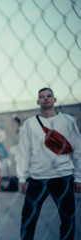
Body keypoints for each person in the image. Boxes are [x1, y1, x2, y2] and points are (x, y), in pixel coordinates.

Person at [16, 87, 81, 240]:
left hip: (63, 176)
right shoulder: (30, 124)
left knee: (68, 219)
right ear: (38, 101)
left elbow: (78, 149)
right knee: (28, 218)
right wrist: (22, 177)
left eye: (49, 96)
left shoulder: (67, 121)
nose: (46, 98)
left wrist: (78, 177)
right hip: (38, 177)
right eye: (42, 96)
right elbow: (24, 151)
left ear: (55, 99)